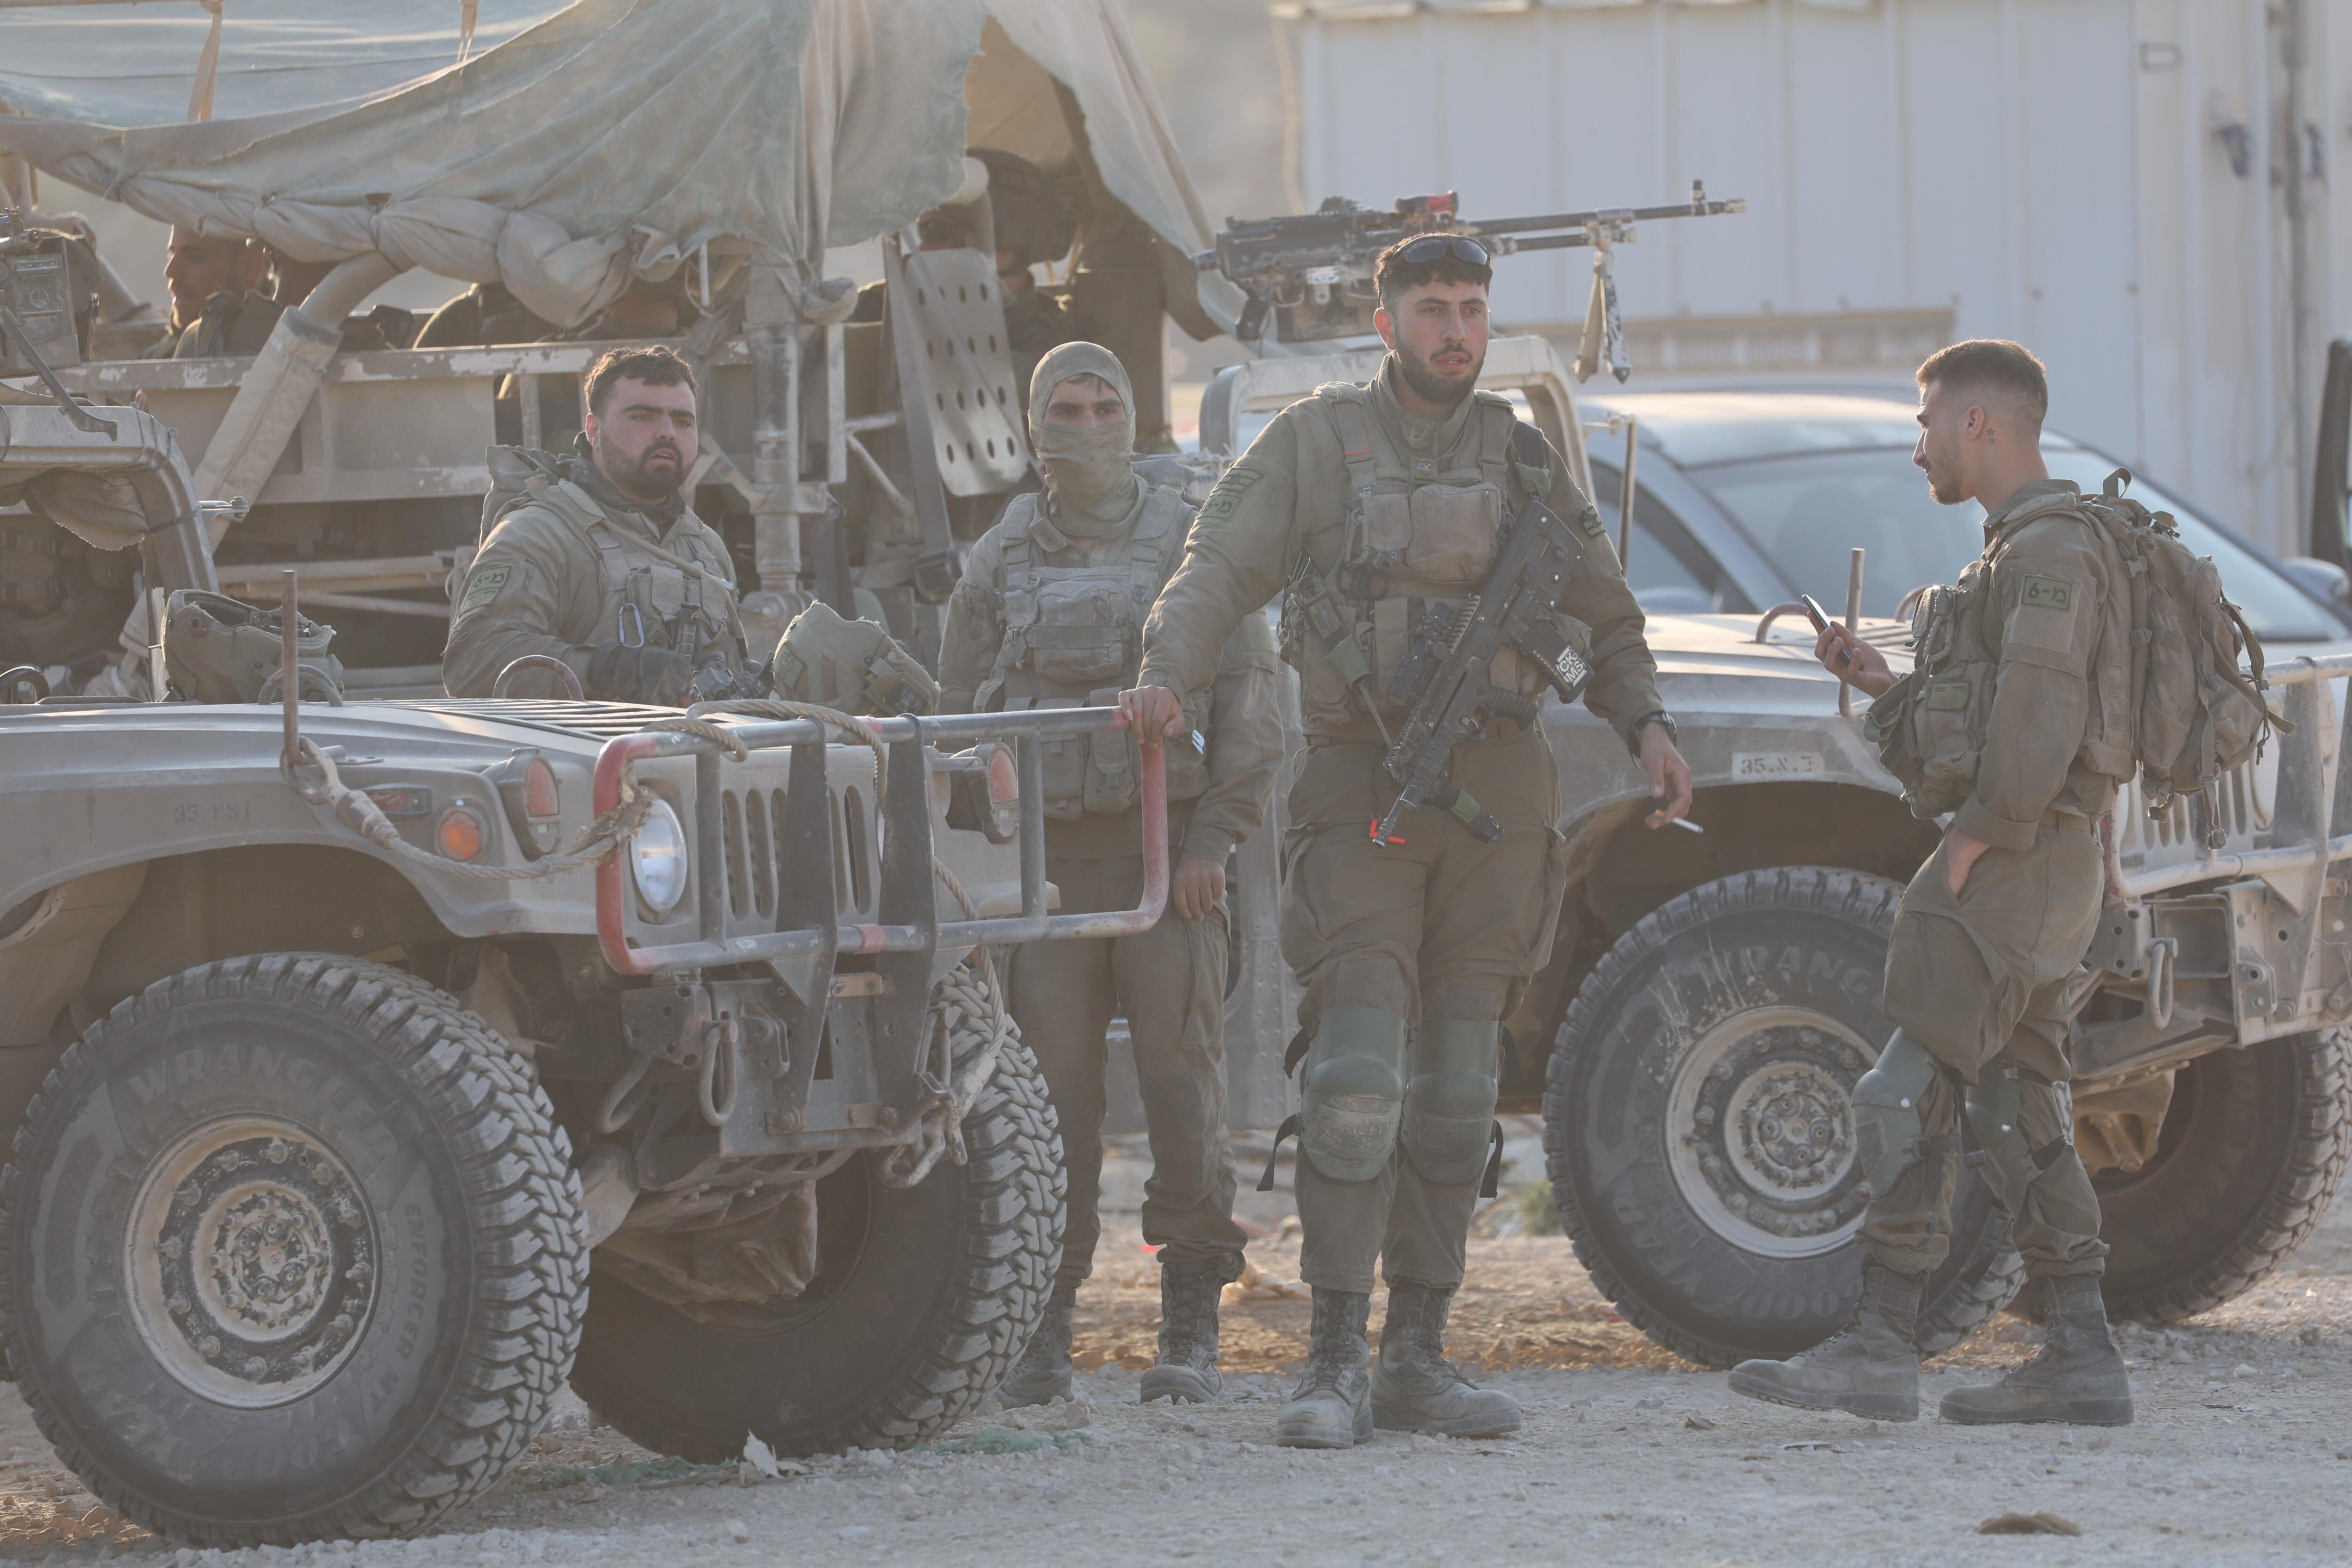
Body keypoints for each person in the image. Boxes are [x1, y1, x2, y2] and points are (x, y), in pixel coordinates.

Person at [1119, 236, 1692, 1448]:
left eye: (1472, 310)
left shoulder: (1524, 458)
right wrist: (1166, 675)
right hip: (1362, 791)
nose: (1454, 331)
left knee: (1454, 1094)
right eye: (1431, 309)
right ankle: (1330, 1359)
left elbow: (1606, 610)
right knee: (1356, 1080)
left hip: (1498, 796)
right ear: (1385, 323)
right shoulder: (1316, 447)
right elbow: (1214, 567)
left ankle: (1418, 1356)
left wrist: (1647, 725)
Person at [1727, 339, 2133, 1427]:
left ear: (1982, 428)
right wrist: (1884, 679)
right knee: (2018, 1101)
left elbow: (2042, 709)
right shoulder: (2037, 548)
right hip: (2044, 862)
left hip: (2010, 863)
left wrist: (1980, 837)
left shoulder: (2044, 552)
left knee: (1898, 1092)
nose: (1919, 449)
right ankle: (2083, 1355)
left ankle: (1878, 1344)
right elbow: (2014, 702)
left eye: (1928, 425)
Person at [937, 342, 1282, 1407]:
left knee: (1184, 1086)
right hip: (1049, 874)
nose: (1085, 428)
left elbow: (1254, 702)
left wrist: (1212, 845)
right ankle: (1044, 1326)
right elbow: (956, 721)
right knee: (1050, 1100)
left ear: (1131, 418)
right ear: (1036, 426)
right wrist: (984, 874)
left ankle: (1189, 1326)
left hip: (1165, 857)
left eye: (1103, 406)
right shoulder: (1000, 559)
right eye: (1066, 409)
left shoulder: (1192, 540)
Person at [443, 344, 753, 703]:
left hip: (691, 756)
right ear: (593, 429)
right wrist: (606, 670)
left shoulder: (706, 549)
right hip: (578, 756)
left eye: (682, 421)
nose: (667, 432)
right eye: (643, 417)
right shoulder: (540, 534)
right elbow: (472, 664)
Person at [152, 225, 277, 358]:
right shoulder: (163, 351)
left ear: (250, 266)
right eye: (171, 254)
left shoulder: (273, 352)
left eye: (194, 256)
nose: (170, 272)